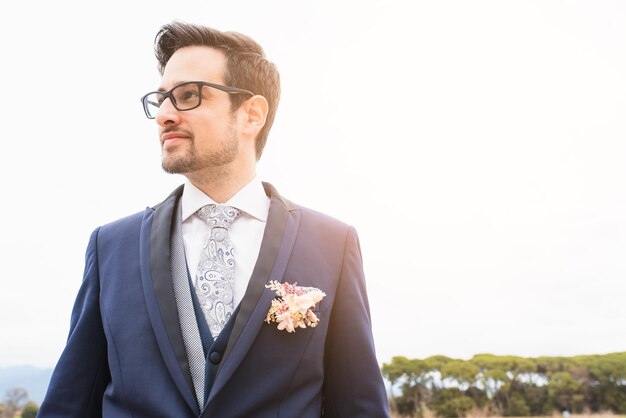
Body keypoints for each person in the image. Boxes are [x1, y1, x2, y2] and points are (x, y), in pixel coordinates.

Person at [38, 21, 389, 418]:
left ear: (251, 115)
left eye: (187, 96)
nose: (164, 115)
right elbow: (71, 401)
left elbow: (359, 406)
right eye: (161, 99)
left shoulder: (331, 244)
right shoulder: (110, 246)